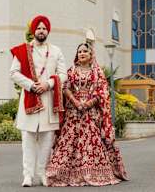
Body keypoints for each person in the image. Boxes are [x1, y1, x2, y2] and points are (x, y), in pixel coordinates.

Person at [45, 43, 129, 187]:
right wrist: (76, 102)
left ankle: (94, 172)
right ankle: (60, 173)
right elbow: (65, 88)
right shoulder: (71, 71)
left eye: (85, 51)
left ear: (91, 55)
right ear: (76, 55)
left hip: (91, 114)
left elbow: (103, 91)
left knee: (91, 142)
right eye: (79, 52)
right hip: (73, 113)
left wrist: (88, 104)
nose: (82, 53)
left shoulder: (97, 73)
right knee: (69, 142)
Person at [10, 15, 67, 187]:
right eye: (38, 28)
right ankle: (27, 175)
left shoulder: (56, 51)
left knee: (47, 139)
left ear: (48, 31)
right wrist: (31, 86)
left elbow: (63, 75)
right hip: (29, 98)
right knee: (27, 139)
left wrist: (48, 84)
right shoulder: (23, 50)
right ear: (33, 31)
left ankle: (42, 172)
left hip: (48, 101)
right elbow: (13, 73)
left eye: (44, 28)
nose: (41, 31)